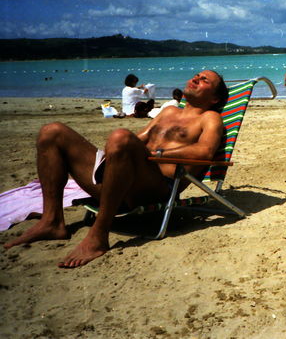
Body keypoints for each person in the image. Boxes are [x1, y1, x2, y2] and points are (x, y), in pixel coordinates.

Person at [3, 70, 229, 268]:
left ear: (215, 98)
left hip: (156, 187)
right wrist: (112, 154)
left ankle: (99, 233)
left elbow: (205, 151)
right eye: (197, 76)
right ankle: (52, 221)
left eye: (205, 80)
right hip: (120, 182)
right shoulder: (168, 112)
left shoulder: (210, 119)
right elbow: (139, 139)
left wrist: (156, 155)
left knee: (120, 136)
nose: (196, 79)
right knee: (51, 131)